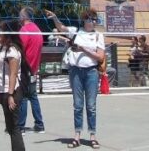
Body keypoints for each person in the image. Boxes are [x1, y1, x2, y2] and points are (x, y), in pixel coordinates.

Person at [45, 9, 105, 150]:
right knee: (78, 105)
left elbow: (100, 57)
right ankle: (77, 136)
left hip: (91, 72)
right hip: (76, 72)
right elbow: (61, 28)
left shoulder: (98, 35)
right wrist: (54, 17)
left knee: (91, 106)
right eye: (90, 19)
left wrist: (83, 49)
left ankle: (92, 136)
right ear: (84, 20)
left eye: (95, 19)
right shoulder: (76, 31)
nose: (93, 22)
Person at [0, 19, 26, 151]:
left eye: (1, 30)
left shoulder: (12, 50)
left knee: (14, 127)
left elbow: (13, 74)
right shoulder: (4, 47)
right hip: (3, 90)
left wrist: (10, 95)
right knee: (10, 127)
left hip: (11, 91)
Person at [17, 7, 44, 134]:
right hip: (34, 68)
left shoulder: (24, 30)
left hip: (25, 68)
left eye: (20, 15)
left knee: (23, 97)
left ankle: (21, 126)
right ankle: (39, 124)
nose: (18, 17)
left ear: (24, 17)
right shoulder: (37, 30)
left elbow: (20, 49)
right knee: (33, 96)